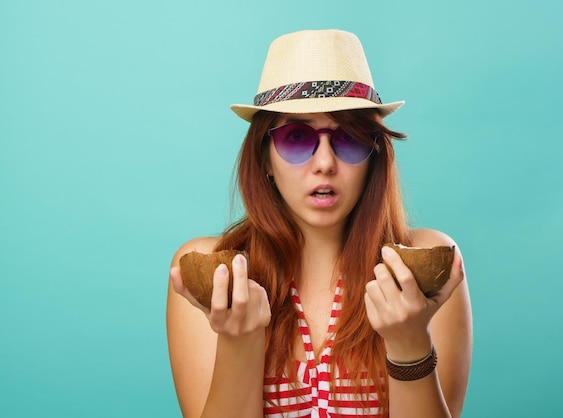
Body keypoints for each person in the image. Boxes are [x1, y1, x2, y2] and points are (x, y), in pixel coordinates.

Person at [166, 29, 472, 418]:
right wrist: (239, 344)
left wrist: (410, 344)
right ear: (264, 159)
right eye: (296, 137)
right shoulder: (214, 274)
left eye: (348, 138)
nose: (325, 163)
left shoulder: (424, 269)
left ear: (375, 156)